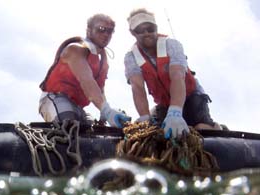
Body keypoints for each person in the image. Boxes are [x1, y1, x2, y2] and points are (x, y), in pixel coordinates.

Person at [124, 8, 222, 139]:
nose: (146, 33)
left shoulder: (172, 45)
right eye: (140, 30)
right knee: (158, 132)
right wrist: (144, 117)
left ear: (156, 28)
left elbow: (177, 76)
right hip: (164, 103)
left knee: (199, 129)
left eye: (150, 29)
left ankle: (216, 127)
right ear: (133, 33)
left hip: (191, 96)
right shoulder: (131, 57)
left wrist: (175, 112)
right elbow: (138, 88)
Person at [39, 14, 131, 128]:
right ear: (89, 30)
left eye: (110, 31)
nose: (106, 34)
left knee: (93, 132)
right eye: (101, 29)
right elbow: (87, 81)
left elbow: (100, 90)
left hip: (78, 106)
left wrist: (104, 113)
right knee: (70, 128)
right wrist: (107, 110)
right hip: (55, 98)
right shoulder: (75, 49)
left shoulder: (103, 60)